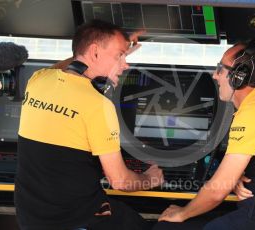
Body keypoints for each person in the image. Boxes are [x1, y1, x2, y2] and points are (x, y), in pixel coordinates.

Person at [15, 19, 163, 230]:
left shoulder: (38, 80)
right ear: (94, 52)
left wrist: (111, 48)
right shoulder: (98, 104)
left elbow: (73, 64)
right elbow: (120, 181)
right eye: (120, 55)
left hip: (31, 218)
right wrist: (149, 178)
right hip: (76, 219)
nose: (126, 63)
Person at [155, 40, 255, 230]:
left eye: (220, 68)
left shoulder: (253, 111)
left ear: (239, 76)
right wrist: (238, 175)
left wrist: (182, 213)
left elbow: (217, 192)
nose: (215, 75)